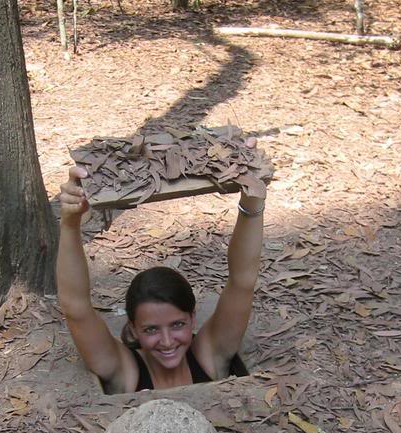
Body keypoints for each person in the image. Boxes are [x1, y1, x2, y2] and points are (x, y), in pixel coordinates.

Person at [56, 141, 265, 394]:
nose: (167, 342)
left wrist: (253, 197)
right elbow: (75, 307)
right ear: (133, 328)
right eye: (151, 329)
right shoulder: (125, 371)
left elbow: (242, 280)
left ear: (192, 319)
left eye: (177, 325)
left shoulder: (210, 354)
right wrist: (70, 221)